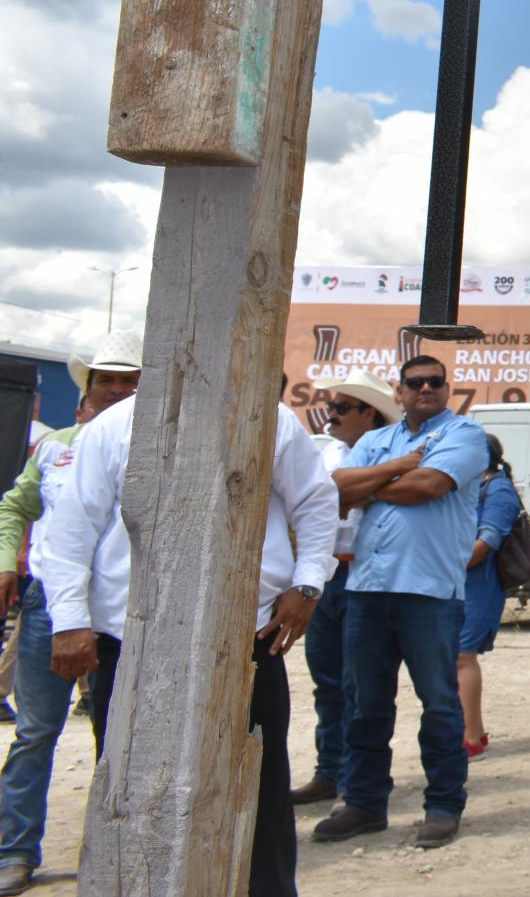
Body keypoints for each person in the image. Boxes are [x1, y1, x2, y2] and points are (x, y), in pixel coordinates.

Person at [39, 390, 337, 897]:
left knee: (258, 781)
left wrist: (308, 583)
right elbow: (72, 526)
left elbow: (316, 499)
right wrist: (69, 620)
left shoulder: (269, 417)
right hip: (132, 638)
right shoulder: (114, 427)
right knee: (130, 783)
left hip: (247, 633)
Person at [315, 353, 486, 850]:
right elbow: (336, 488)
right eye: (416, 383)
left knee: (438, 702)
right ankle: (365, 803)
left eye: (435, 381)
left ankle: (443, 804)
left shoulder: (464, 436)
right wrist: (398, 468)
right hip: (368, 587)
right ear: (399, 391)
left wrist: (375, 485)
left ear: (447, 388)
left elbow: (429, 486)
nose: (426, 388)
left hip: (429, 590)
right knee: (365, 703)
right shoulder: (376, 441)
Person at [0, 333, 138, 897]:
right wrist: (6, 556)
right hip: (47, 606)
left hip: (120, 611)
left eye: (129, 380)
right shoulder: (55, 446)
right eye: (106, 379)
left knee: (119, 734)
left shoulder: (157, 449)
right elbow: (16, 504)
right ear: (88, 388)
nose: (118, 389)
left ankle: (114, 849)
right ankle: (14, 851)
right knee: (36, 732)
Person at [290, 371, 398, 806]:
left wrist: (351, 489)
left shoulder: (384, 451)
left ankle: (354, 777)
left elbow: (329, 496)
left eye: (340, 408)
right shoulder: (330, 452)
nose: (330, 416)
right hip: (330, 575)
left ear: (367, 413)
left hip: (364, 578)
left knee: (360, 684)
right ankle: (330, 771)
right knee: (328, 681)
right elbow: (325, 498)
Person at [457, 433, 520, 758]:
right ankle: (472, 732)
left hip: (479, 585)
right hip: (463, 584)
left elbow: (487, 541)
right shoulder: (478, 485)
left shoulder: (498, 488)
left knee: (463, 657)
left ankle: (471, 737)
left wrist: (448, 563)